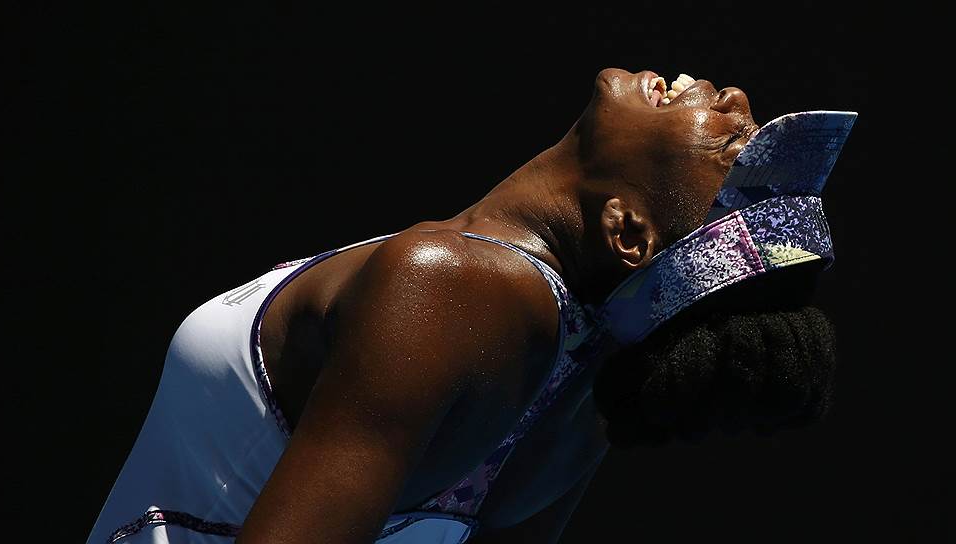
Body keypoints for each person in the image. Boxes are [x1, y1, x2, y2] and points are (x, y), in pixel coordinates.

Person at [87, 68, 844, 544]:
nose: (736, 98)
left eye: (731, 145)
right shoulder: (586, 379)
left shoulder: (455, 287)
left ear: (629, 233)